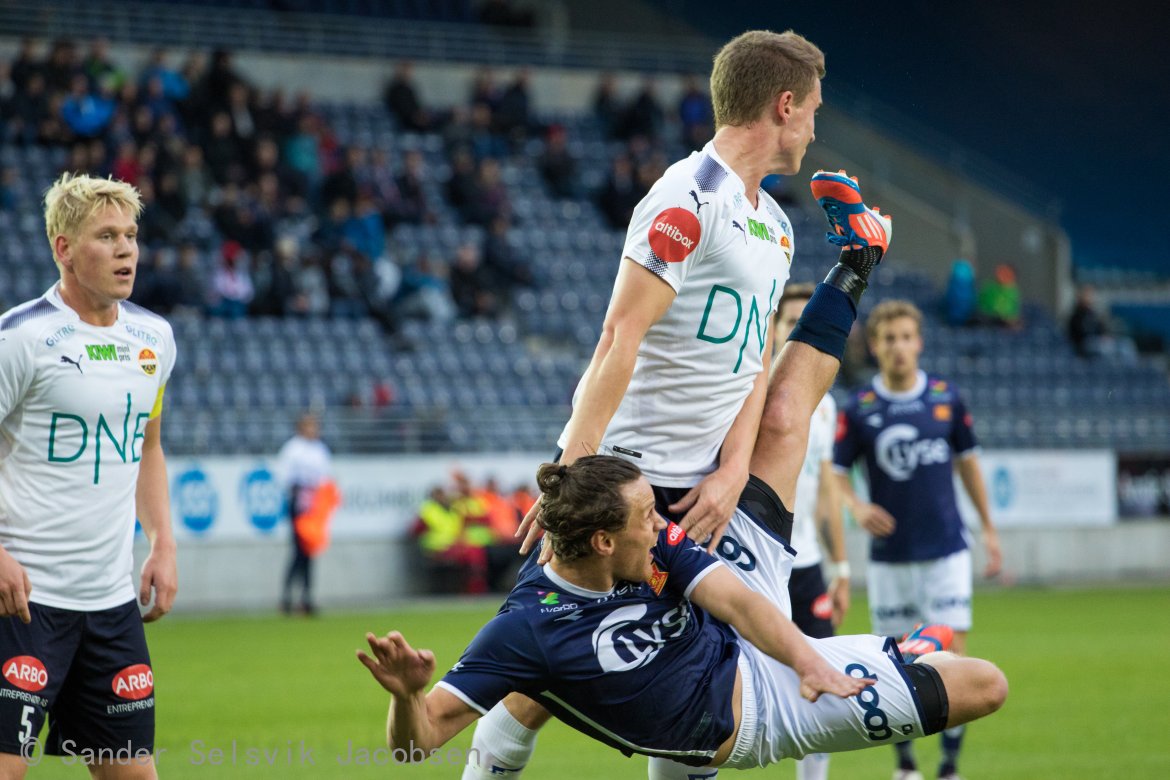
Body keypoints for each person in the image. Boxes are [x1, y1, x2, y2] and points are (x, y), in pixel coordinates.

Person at [469, 28, 895, 780]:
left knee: (693, 673)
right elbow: (618, 338)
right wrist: (570, 470)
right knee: (540, 668)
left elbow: (750, 364)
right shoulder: (686, 198)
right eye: (814, 110)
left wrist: (734, 471)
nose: (816, 127)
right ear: (784, 104)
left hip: (703, 489)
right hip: (626, 482)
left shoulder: (777, 227)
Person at [359, 457, 1008, 773]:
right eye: (647, 517)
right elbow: (415, 745)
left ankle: (903, 650)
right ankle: (904, 651)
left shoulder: (644, 543)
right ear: (605, 542)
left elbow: (734, 601)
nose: (662, 525)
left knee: (981, 681)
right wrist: (408, 697)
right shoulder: (529, 627)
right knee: (985, 685)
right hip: (734, 724)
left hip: (754, 665)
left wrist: (810, 659)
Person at [0, 172, 178, 777]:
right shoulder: (21, 338)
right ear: (63, 248)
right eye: (107, 236)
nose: (127, 248)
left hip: (110, 606)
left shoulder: (153, 338)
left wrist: (162, 543)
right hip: (21, 603)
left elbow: (147, 446)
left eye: (131, 234)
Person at [832, 299, 1003, 780]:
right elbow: (838, 473)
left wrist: (989, 530)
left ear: (919, 342)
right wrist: (857, 506)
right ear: (875, 346)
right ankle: (906, 766)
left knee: (953, 653)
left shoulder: (947, 398)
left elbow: (969, 467)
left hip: (947, 550)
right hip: (891, 558)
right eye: (889, 339)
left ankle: (949, 766)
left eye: (907, 337)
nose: (899, 347)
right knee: (901, 658)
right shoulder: (861, 407)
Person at [772, 283, 850, 780]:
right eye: (790, 323)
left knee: (822, 678)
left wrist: (840, 567)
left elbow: (825, 492)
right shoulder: (745, 391)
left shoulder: (827, 405)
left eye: (808, 322)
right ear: (775, 329)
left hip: (808, 565)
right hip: (755, 563)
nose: (801, 333)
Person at [276, 412, 332, 616]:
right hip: (299, 505)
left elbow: (324, 479)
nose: (314, 430)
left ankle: (306, 597)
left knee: (309, 553)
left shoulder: (320, 450)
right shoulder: (293, 449)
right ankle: (288, 596)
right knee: (299, 552)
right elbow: (286, 478)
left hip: (314, 507)